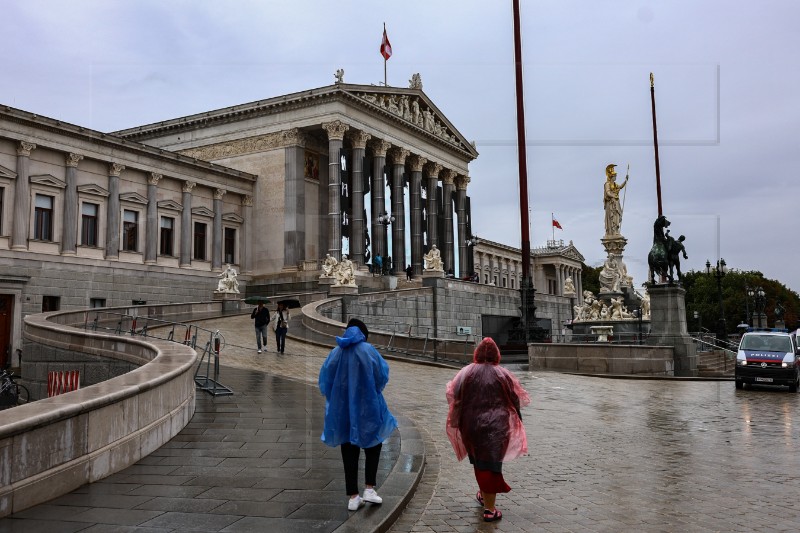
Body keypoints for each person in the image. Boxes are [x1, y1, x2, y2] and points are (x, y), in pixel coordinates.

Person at [445, 337, 530, 523]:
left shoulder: (465, 372)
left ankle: (484, 495)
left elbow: (453, 394)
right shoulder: (503, 374)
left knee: (478, 462)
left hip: (471, 425)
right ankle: (490, 510)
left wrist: (457, 419)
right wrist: (517, 416)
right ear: (496, 354)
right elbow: (515, 398)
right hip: (496, 428)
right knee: (491, 465)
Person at [319, 318, 398, 511]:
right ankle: (369, 488)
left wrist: (338, 397)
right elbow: (382, 375)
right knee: (374, 443)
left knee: (348, 448)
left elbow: (325, 380)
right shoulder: (368, 350)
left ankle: (353, 496)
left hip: (343, 409)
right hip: (368, 406)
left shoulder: (336, 352)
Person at [603, 163, 628, 236]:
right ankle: (612, 231)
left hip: (616, 202)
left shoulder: (615, 184)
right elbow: (607, 193)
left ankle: (616, 230)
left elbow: (620, 187)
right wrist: (613, 196)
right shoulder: (607, 184)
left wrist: (625, 181)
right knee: (612, 217)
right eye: (615, 176)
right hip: (610, 203)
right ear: (611, 176)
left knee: (616, 216)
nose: (616, 177)